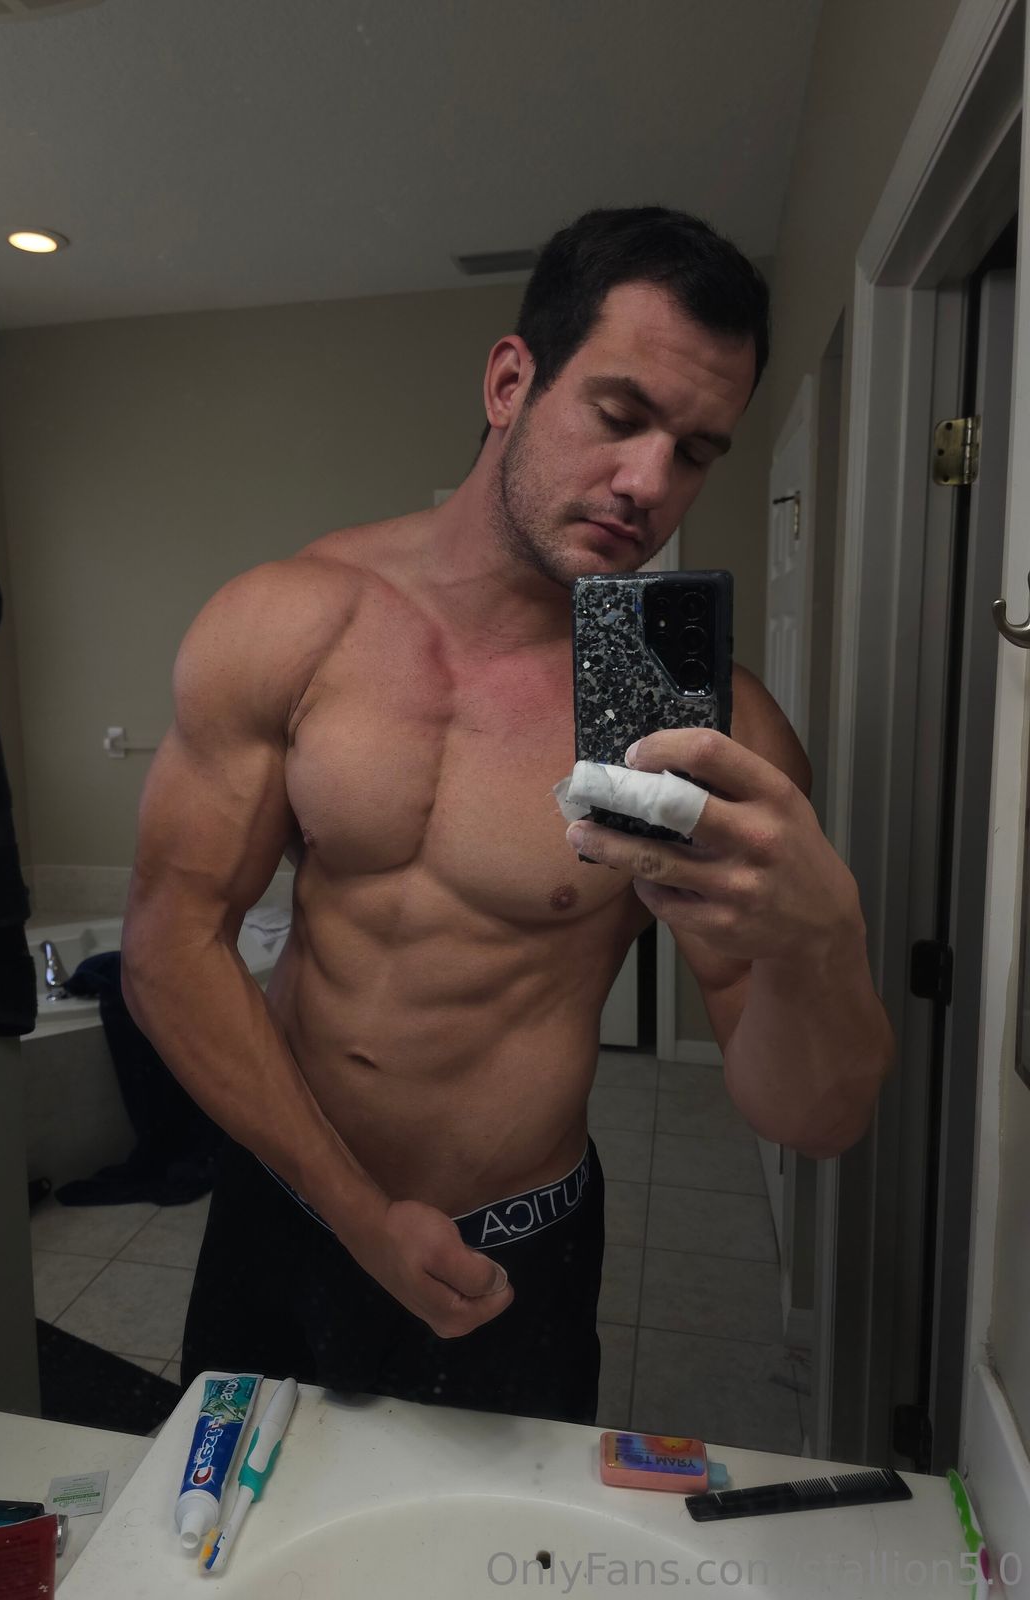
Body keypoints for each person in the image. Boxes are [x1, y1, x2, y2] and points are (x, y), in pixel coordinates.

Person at [121, 207, 893, 1425]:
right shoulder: (291, 621)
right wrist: (360, 1215)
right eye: (620, 415)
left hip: (515, 1245)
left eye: (696, 451)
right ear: (508, 382)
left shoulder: (703, 727)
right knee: (228, 1523)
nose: (651, 484)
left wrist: (825, 938)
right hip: (290, 1200)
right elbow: (170, 943)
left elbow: (815, 1116)